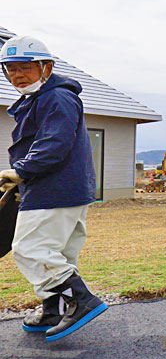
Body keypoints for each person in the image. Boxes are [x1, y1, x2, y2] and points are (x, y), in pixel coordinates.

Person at [0, 35, 107, 341]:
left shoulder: (57, 98)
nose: (17, 75)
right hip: (66, 189)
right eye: (11, 69)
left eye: (25, 67)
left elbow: (54, 143)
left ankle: (82, 301)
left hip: (53, 190)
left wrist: (21, 170)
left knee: (31, 249)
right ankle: (54, 309)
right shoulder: (41, 99)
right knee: (58, 253)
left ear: (46, 67)